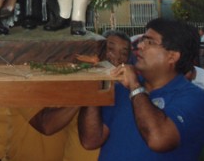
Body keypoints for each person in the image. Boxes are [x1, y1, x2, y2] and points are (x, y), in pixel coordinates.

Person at [78, 18, 204, 160]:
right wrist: (94, 84)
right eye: (142, 40)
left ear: (172, 56)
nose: (140, 46)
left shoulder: (195, 98)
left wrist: (135, 87)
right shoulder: (122, 89)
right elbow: (90, 141)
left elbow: (158, 140)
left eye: (149, 42)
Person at [25, 30, 131, 161]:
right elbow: (46, 126)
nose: (116, 57)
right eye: (110, 49)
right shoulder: (76, 80)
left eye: (124, 53)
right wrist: (87, 89)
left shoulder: (127, 91)